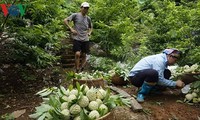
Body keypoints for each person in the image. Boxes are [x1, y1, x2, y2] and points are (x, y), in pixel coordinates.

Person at [64, 2, 93, 73]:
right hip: (77, 38)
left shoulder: (88, 18)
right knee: (77, 54)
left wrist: (89, 32)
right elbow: (65, 20)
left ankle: (82, 68)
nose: (86, 10)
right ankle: (77, 69)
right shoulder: (75, 15)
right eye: (84, 8)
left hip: (85, 39)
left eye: (87, 8)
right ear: (81, 8)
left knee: (84, 54)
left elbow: (91, 27)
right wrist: (71, 29)